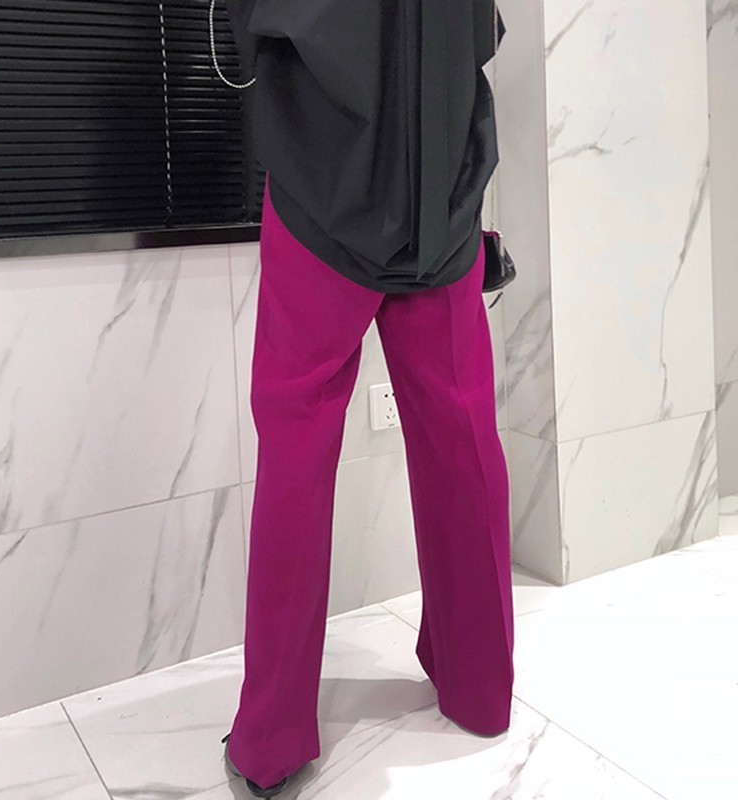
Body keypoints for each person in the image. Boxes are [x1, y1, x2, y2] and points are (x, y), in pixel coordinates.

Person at [220, 2, 513, 796]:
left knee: (296, 452)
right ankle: (481, 687)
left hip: (321, 192)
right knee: (463, 435)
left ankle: (272, 740)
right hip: (445, 199)